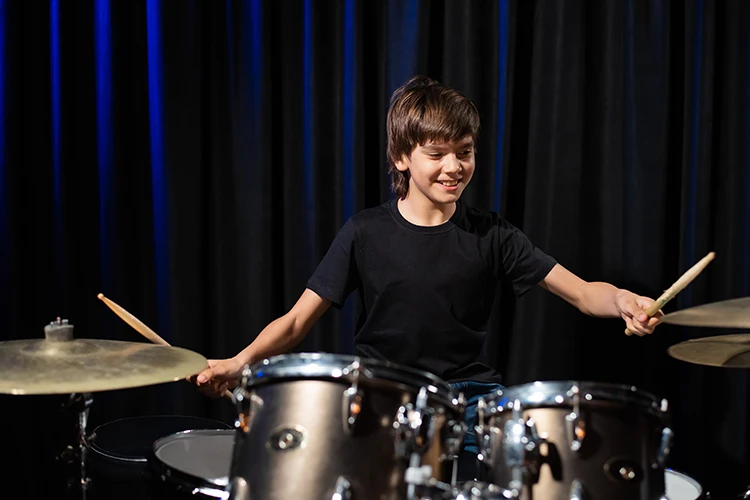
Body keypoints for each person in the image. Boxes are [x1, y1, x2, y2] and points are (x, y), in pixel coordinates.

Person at [194, 75, 662, 481]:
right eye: (436, 154)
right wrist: (241, 362)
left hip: (471, 400)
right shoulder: (365, 232)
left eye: (465, 152)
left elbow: (582, 293)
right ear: (401, 157)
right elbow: (297, 322)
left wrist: (622, 299)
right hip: (383, 397)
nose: (454, 167)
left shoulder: (492, 234)